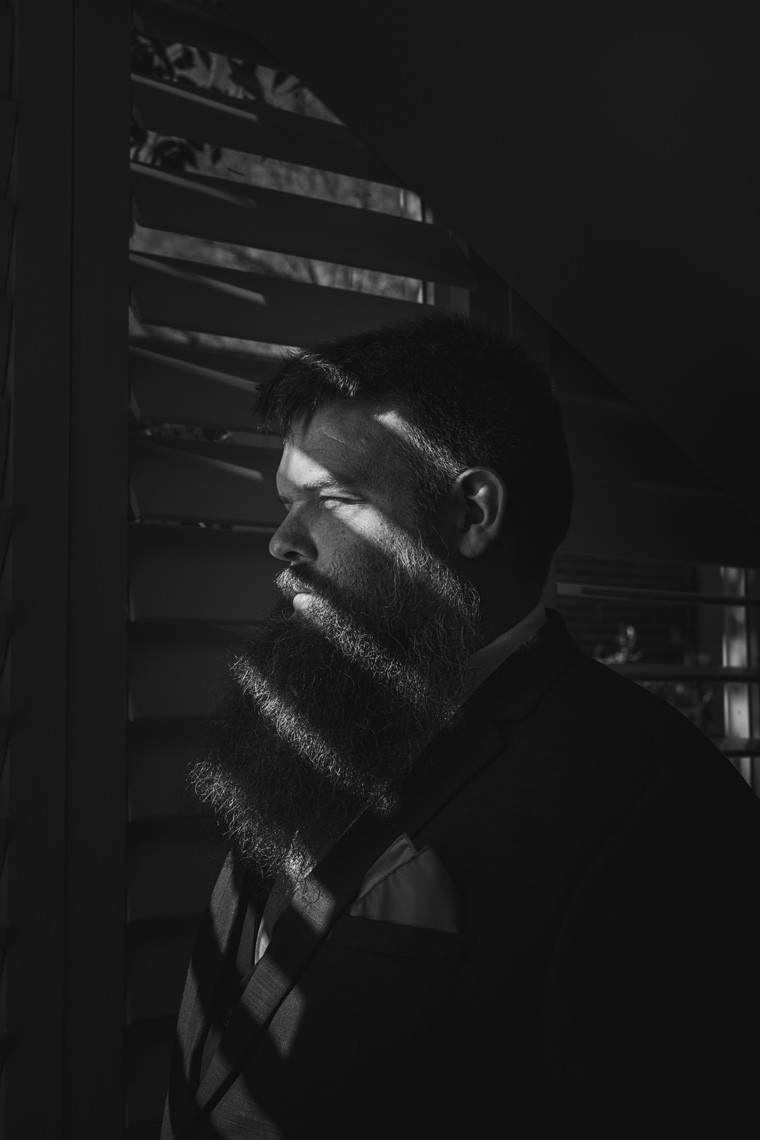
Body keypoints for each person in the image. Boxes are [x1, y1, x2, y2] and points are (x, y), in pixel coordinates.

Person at [162, 311, 760, 1139]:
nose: (283, 541)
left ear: (471, 513)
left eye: (332, 497)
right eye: (287, 502)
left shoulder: (657, 806)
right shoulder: (307, 725)